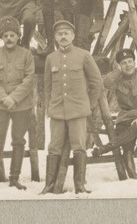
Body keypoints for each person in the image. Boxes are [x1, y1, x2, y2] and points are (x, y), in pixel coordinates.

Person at [40, 20, 104, 195]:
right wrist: (49, 105)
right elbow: (47, 86)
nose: (63, 36)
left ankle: (80, 184)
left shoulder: (83, 55)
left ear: (73, 36)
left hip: (78, 110)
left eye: (66, 33)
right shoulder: (51, 58)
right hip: (57, 111)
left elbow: (97, 82)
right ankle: (49, 185)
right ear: (55, 37)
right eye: (59, 34)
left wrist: (88, 104)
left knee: (79, 146)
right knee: (53, 147)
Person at [0, 17, 36, 193]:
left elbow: (29, 79)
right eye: (5, 35)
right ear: (1, 37)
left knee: (18, 140)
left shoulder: (27, 55)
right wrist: (4, 98)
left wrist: (14, 98)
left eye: (12, 35)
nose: (9, 38)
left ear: (18, 36)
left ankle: (14, 178)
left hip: (21, 105)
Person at [92, 49, 137, 180]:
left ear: (134, 62)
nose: (128, 65)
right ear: (120, 65)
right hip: (124, 118)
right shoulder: (118, 80)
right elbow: (105, 83)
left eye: (130, 61)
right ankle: (132, 174)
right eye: (124, 63)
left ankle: (105, 148)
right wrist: (118, 71)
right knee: (126, 137)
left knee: (132, 132)